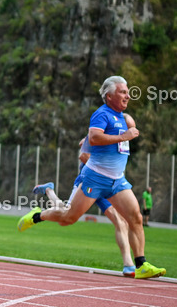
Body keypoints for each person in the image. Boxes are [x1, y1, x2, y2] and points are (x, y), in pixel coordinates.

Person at [18, 75, 165, 279]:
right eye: (122, 92)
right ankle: (36, 216)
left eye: (128, 91)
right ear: (109, 95)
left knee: (135, 218)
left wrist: (128, 130)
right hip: (94, 179)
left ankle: (140, 264)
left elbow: (125, 131)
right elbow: (94, 139)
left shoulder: (125, 118)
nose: (128, 95)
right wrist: (123, 137)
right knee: (68, 218)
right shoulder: (101, 115)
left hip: (117, 181)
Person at [32, 113, 137, 277]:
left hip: (109, 184)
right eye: (129, 126)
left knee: (120, 220)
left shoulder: (122, 138)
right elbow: (83, 149)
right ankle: (48, 192)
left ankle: (128, 264)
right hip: (89, 180)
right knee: (65, 217)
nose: (131, 130)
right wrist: (101, 171)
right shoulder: (103, 128)